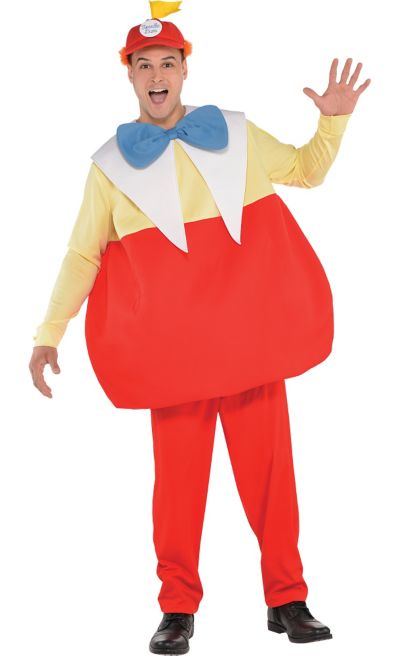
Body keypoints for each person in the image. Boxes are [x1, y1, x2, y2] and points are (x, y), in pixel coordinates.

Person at [28, 1, 371, 653]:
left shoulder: (235, 134)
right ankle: (177, 608)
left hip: (248, 344)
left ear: (185, 69)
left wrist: (332, 121)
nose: (157, 75)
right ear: (129, 74)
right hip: (173, 357)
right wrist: (49, 333)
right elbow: (82, 254)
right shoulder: (110, 166)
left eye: (168, 62)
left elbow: (306, 170)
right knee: (178, 491)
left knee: (272, 478)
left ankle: (287, 598)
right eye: (144, 65)